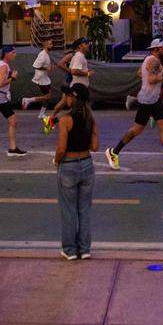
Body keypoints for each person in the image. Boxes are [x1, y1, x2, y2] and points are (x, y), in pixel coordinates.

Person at [106, 39, 163, 171]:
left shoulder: (150, 60)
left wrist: (159, 72)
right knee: (136, 130)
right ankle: (114, 152)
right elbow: (151, 79)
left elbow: (140, 73)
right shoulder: (153, 60)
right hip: (147, 100)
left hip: (153, 99)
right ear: (156, 49)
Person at [55, 83, 99, 259]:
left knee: (68, 209)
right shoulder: (91, 119)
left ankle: (70, 250)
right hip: (87, 164)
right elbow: (95, 146)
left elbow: (61, 148)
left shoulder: (65, 120)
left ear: (72, 98)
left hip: (69, 165)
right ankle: (85, 248)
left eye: (68, 96)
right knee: (84, 209)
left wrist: (56, 161)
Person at [21, 38, 54, 117]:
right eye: (50, 44)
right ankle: (28, 100)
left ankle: (41, 114)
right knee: (47, 96)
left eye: (51, 44)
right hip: (41, 79)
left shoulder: (46, 54)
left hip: (45, 78)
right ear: (45, 45)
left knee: (48, 97)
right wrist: (47, 68)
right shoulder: (42, 55)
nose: (51, 45)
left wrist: (49, 68)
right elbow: (36, 66)